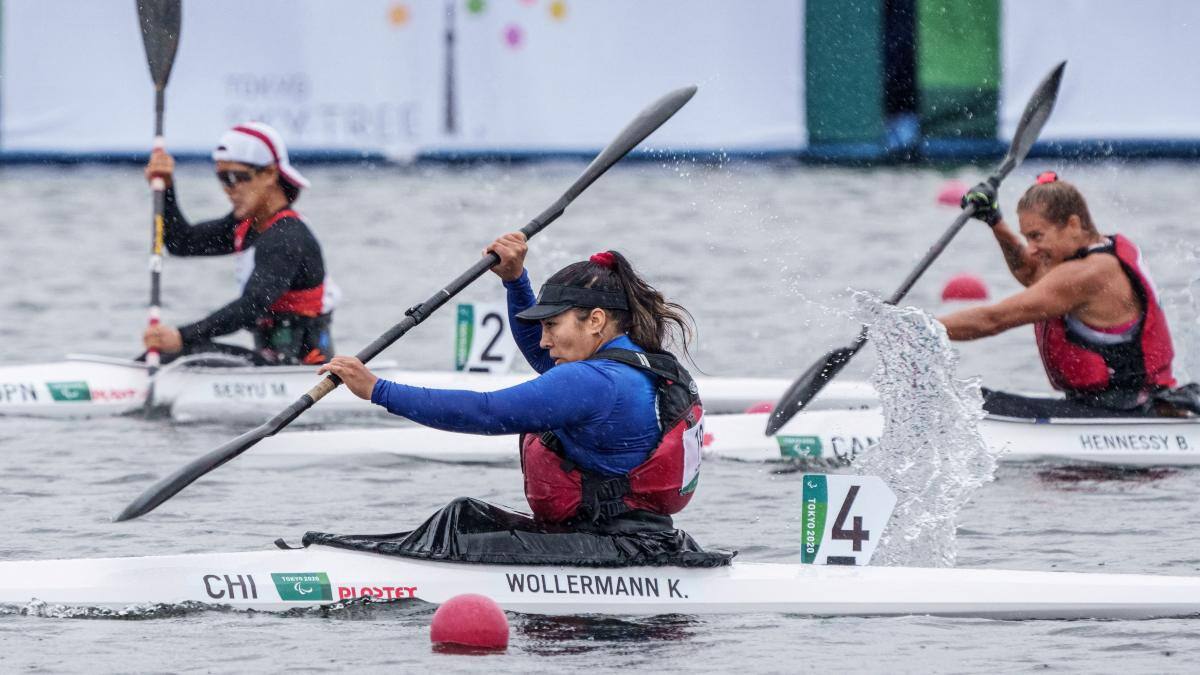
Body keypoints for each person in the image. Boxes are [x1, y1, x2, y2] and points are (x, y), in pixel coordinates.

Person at [320, 234, 706, 534]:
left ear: (596, 320)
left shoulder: (593, 381)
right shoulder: (637, 364)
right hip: (634, 534)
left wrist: (376, 389)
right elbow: (546, 363)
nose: (543, 340)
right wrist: (515, 280)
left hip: (607, 542)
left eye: (552, 325)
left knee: (461, 521)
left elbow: (486, 412)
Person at [939, 172, 1184, 418]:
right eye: (1027, 238)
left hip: (1126, 413)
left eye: (1036, 236)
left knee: (969, 403)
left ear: (1073, 225)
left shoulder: (1088, 274)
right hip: (1118, 405)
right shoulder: (1102, 252)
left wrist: (920, 329)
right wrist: (995, 221)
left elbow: (993, 320)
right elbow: (1030, 272)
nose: (1032, 249)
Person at [142, 122, 338, 366]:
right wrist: (167, 188)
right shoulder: (247, 227)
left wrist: (182, 336)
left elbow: (250, 307)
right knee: (169, 356)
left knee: (176, 355)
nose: (228, 189)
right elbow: (181, 243)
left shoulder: (287, 237)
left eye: (236, 177)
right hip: (270, 365)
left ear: (269, 174)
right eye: (222, 178)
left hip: (302, 372)